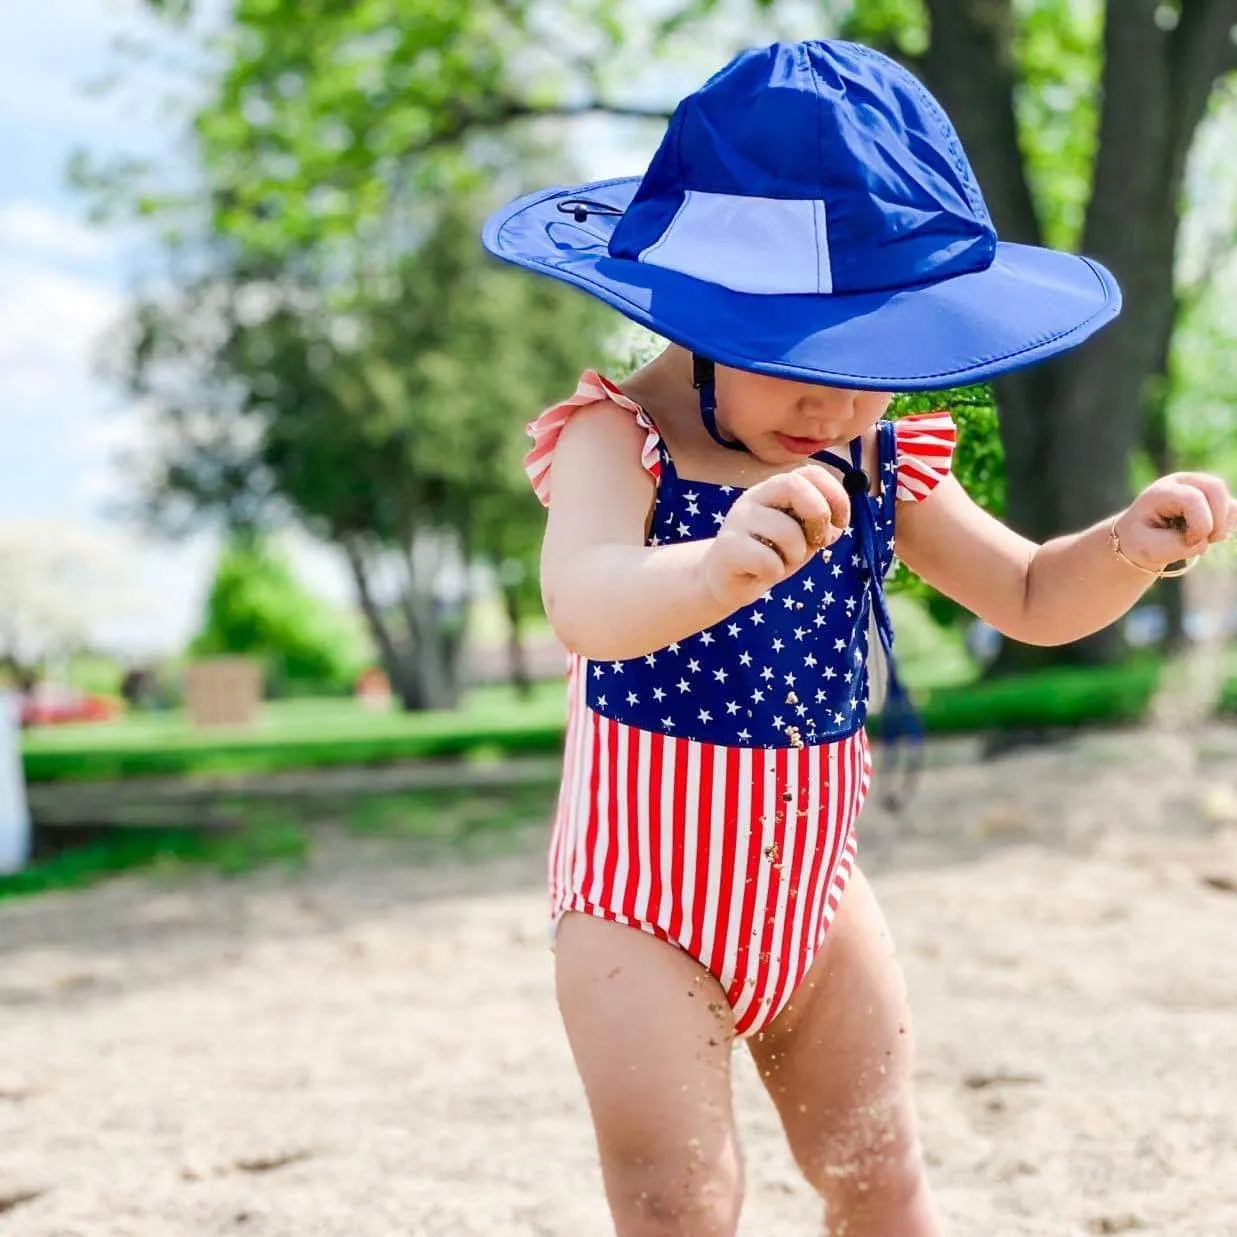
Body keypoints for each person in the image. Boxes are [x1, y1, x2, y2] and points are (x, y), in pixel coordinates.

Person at [481, 38, 1236, 1237]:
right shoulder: (616, 437)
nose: (836, 403)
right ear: (700, 315)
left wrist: (1134, 545)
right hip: (638, 902)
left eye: (872, 362)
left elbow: (1033, 594)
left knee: (881, 1177)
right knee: (680, 1198)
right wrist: (718, 563)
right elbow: (585, 597)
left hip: (813, 897)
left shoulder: (873, 453)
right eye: (804, 357)